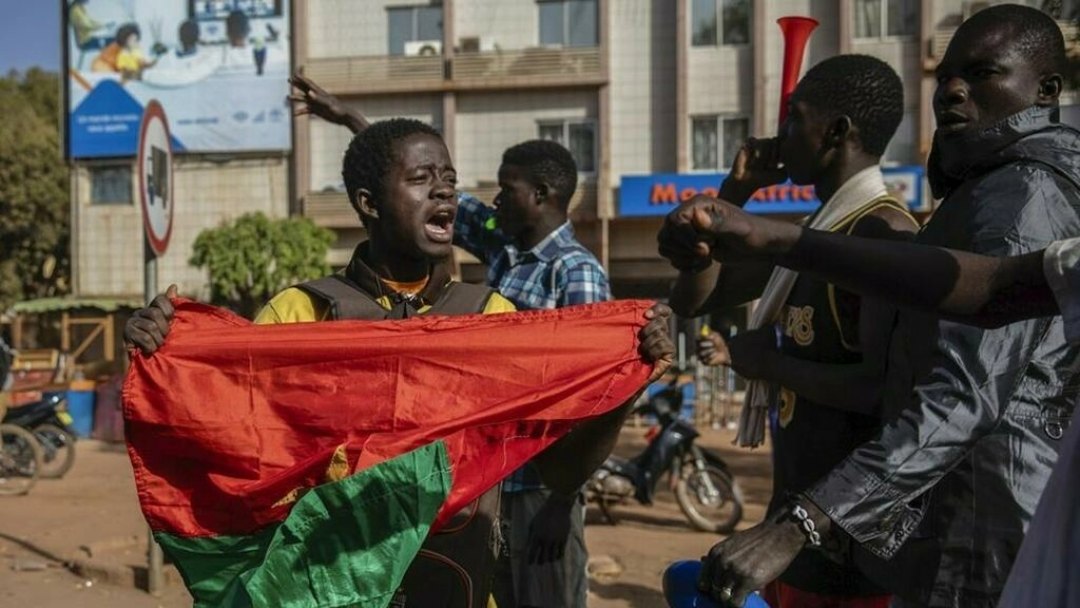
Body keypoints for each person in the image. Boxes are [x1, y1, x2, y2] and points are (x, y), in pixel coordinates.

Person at [125, 118, 674, 607]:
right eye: (421, 178)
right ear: (369, 203)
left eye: (450, 178)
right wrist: (166, 355)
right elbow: (225, 444)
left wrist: (622, 383)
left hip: (458, 588)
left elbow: (560, 471)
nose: (445, 189)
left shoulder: (491, 321)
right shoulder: (300, 315)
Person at [667, 5, 1078, 607]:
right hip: (879, 530)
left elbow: (945, 392)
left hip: (941, 537)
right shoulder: (947, 203)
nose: (951, 91)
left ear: (1045, 90)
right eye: (945, 77)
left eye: (981, 73)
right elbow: (697, 296)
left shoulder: (991, 202)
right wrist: (734, 199)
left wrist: (803, 518)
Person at [290, 74, 615, 608]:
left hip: (541, 488)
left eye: (506, 189)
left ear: (539, 196)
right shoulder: (504, 250)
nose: (488, 199)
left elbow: (586, 395)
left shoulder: (574, 271)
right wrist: (350, 120)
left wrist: (563, 501)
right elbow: (400, 182)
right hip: (492, 486)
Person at [661, 54, 918, 608]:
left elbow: (883, 390)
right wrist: (733, 192)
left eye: (794, 118)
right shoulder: (815, 234)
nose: (779, 136)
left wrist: (769, 363)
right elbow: (693, 298)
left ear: (836, 132)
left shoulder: (882, 232)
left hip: (847, 555)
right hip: (791, 538)